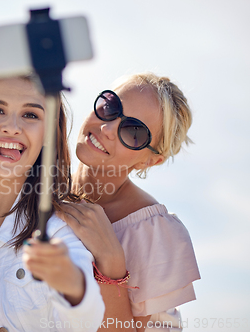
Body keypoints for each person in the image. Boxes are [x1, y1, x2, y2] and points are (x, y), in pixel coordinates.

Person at [0, 66, 105, 332]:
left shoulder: (58, 229)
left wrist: (73, 284)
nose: (12, 127)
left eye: (30, 114)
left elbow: (87, 318)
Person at [61, 73, 200, 331]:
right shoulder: (37, 188)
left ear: (149, 160)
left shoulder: (153, 233)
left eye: (133, 131)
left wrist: (111, 263)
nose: (107, 128)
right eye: (110, 107)